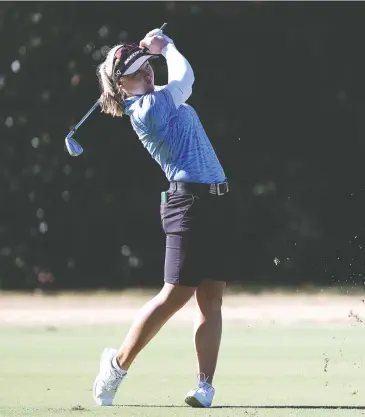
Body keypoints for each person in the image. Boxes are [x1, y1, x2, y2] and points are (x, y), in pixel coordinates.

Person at [92, 27, 234, 408]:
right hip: (187, 204)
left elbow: (177, 81)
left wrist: (157, 52)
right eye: (137, 73)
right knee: (175, 295)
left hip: (216, 203)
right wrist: (166, 47)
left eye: (147, 66)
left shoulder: (156, 98)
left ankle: (205, 385)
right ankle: (117, 365)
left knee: (211, 299)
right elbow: (185, 78)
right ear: (122, 84)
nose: (148, 74)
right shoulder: (148, 108)